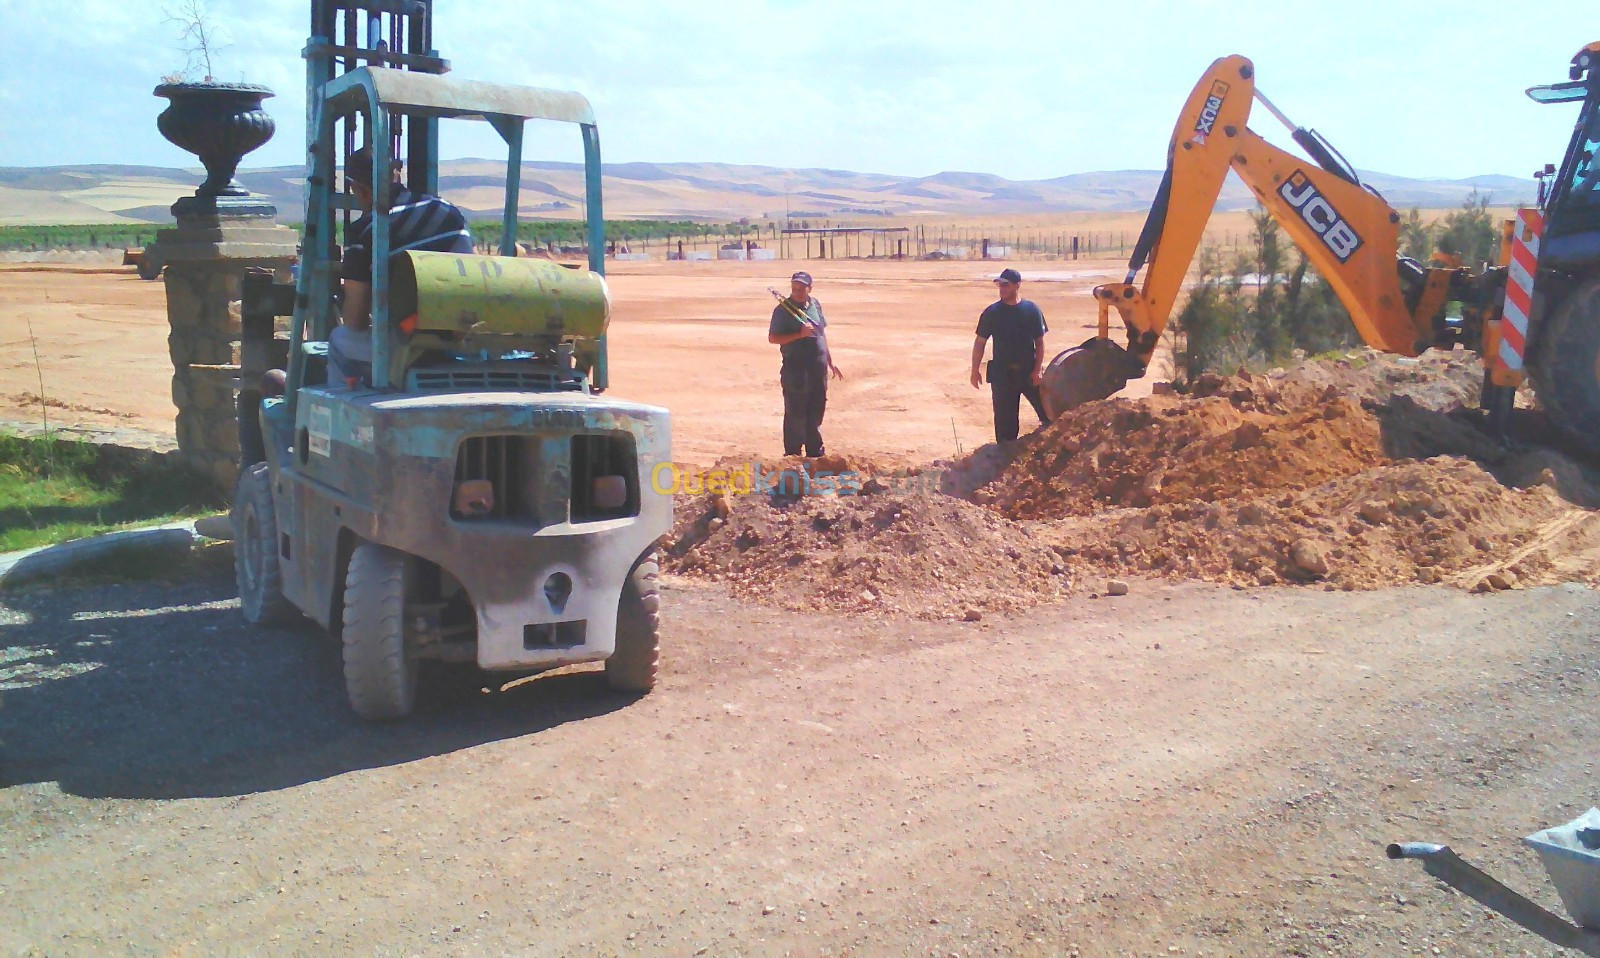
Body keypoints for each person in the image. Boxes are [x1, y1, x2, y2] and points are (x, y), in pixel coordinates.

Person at [328, 145, 474, 385]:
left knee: (339, 339)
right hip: (464, 338)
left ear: (360, 189)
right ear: (397, 174)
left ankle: (335, 417)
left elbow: (355, 320)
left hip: (408, 343)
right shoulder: (448, 212)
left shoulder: (367, 230)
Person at [767, 270, 843, 457]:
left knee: (816, 408)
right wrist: (798, 335)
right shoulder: (783, 310)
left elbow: (821, 334)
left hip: (817, 367)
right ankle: (792, 454)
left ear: (810, 288)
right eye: (794, 289)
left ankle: (815, 451)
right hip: (796, 369)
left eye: (801, 289)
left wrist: (830, 361)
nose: (797, 292)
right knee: (795, 411)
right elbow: (773, 338)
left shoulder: (815, 304)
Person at [970, 267, 1050, 442]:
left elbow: (1040, 341)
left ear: (1017, 285)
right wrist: (975, 369)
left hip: (1028, 371)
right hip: (1002, 375)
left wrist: (1037, 370)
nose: (1002, 289)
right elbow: (980, 342)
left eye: (1005, 285)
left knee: (1049, 415)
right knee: (1005, 426)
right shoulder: (992, 313)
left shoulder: (1031, 310)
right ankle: (1005, 460)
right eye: (1000, 285)